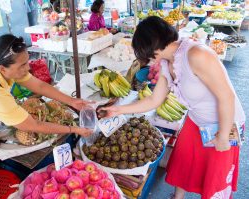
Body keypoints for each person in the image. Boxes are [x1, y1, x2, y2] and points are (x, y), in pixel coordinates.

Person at [100, 16, 245, 199]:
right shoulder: (167, 62)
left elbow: (227, 96)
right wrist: (118, 110)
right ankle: (178, 197)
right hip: (196, 119)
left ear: (153, 46)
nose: (146, 60)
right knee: (183, 161)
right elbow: (154, 100)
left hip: (225, 122)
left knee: (215, 175)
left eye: (145, 52)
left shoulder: (196, 54)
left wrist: (223, 136)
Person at [0, 34, 92, 174]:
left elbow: (40, 86)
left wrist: (72, 101)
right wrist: (74, 129)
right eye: (23, 65)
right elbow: (34, 125)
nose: (28, 68)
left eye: (27, 61)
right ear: (3, 69)